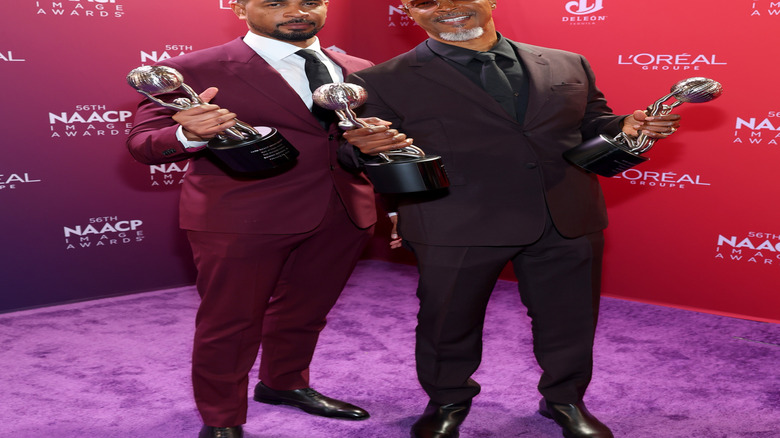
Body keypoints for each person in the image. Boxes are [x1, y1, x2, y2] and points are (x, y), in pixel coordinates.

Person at [340, 0, 682, 437]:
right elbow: (354, 152)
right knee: (447, 321)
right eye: (425, 0)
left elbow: (591, 123)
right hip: (454, 219)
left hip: (564, 214)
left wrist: (627, 127)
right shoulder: (378, 80)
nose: (446, 7)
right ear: (409, 10)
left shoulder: (569, 63)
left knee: (570, 318)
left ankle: (565, 400)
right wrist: (364, 148)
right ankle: (447, 401)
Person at [126, 1, 377, 437]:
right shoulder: (190, 69)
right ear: (240, 6)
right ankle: (221, 418)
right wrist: (188, 132)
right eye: (275, 1)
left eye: (310, 1)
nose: (296, 11)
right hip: (242, 217)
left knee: (306, 311)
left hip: (342, 209)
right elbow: (143, 143)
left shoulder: (357, 68)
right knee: (231, 323)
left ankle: (284, 383)